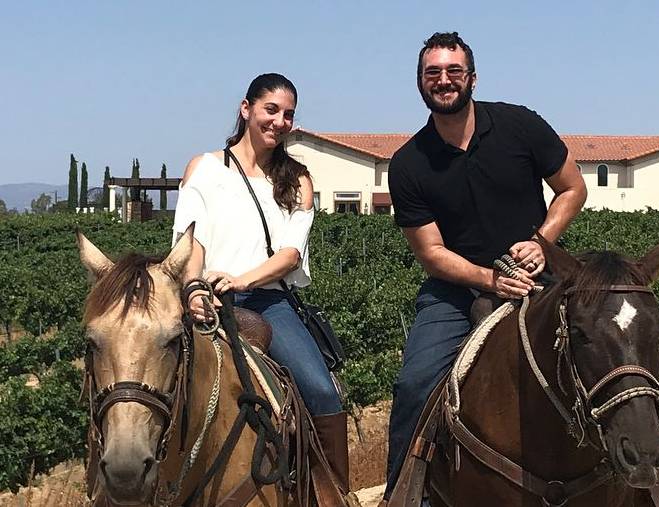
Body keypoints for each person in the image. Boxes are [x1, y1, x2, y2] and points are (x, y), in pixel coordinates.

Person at [382, 32, 587, 502]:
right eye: (433, 73)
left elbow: (573, 189)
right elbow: (431, 252)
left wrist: (541, 241)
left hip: (538, 278)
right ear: (420, 82)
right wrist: (490, 279)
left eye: (454, 71)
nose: (444, 81)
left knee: (606, 352)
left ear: (472, 77)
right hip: (454, 292)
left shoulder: (521, 126)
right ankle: (405, 494)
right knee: (414, 383)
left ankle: (648, 475)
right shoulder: (409, 163)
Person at [171, 73, 350, 496]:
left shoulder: (298, 180)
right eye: (271, 110)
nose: (280, 121)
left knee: (323, 391)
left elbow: (290, 255)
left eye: (288, 114)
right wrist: (195, 288)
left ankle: (333, 493)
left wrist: (240, 280)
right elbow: (191, 242)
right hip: (205, 298)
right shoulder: (205, 167)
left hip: (268, 301)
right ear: (246, 108)